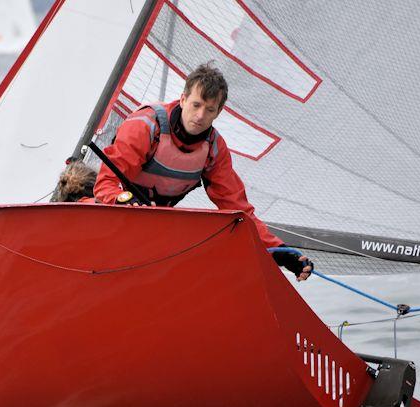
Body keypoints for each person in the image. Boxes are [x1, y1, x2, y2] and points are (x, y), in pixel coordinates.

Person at [93, 63, 313, 281]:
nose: (200, 116)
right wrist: (124, 203)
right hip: (112, 215)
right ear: (182, 99)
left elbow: (238, 210)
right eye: (196, 105)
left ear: (218, 112)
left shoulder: (214, 149)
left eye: (209, 109)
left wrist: (282, 253)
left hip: (155, 229)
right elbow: (105, 184)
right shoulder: (146, 126)